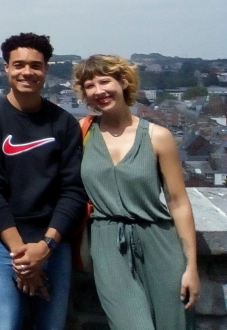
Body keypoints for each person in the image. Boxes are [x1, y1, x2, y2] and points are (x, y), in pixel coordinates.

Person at [0, 33, 86, 330]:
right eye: (18, 64)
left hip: (53, 244)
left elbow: (72, 190)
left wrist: (44, 247)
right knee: (5, 325)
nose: (27, 72)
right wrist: (22, 256)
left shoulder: (63, 123)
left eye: (35, 65)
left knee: (52, 326)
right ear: (6, 68)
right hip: (1, 244)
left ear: (46, 69)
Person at [74, 55, 199, 329]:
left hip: (159, 241)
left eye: (104, 81)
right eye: (89, 85)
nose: (99, 91)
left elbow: (178, 202)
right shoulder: (81, 134)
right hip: (107, 244)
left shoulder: (158, 136)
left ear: (123, 81)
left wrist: (191, 266)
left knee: (173, 325)